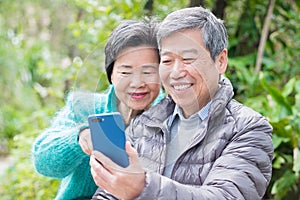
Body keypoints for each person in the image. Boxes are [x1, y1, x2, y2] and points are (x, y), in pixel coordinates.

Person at [90, 6, 274, 200]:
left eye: (188, 59)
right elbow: (108, 194)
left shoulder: (249, 129)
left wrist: (142, 187)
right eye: (167, 61)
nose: (176, 72)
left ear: (220, 61)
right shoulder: (145, 123)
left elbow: (224, 196)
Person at [31, 19, 165, 200]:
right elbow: (42, 161)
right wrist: (80, 137)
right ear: (111, 74)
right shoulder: (84, 107)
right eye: (125, 72)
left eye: (148, 72)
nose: (137, 83)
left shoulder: (172, 114)